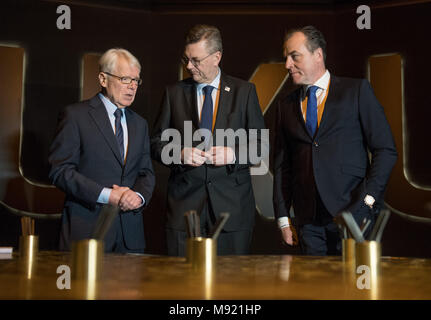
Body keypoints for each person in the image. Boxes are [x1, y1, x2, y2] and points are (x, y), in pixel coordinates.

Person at [273, 26, 397, 255]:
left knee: (354, 288)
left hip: (354, 215)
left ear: (318, 55)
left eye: (294, 56)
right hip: (308, 222)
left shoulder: (356, 91)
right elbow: (283, 166)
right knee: (316, 288)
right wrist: (283, 218)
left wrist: (368, 202)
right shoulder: (285, 105)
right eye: (286, 58)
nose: (287, 65)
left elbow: (385, 150)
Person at [151, 24, 266, 256]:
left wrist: (232, 154)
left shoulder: (244, 92)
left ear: (217, 57)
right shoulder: (174, 93)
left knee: (229, 287)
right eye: (186, 59)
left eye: (196, 60)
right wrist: (180, 154)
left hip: (232, 213)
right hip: (184, 211)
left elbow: (260, 146)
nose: (189, 66)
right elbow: (156, 144)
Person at [49, 48, 155, 253]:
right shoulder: (75, 116)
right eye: (125, 79)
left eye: (136, 81)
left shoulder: (139, 124)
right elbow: (60, 171)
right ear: (103, 79)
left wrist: (139, 197)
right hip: (88, 231)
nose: (132, 87)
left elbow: (146, 173)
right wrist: (108, 195)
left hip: (129, 236)